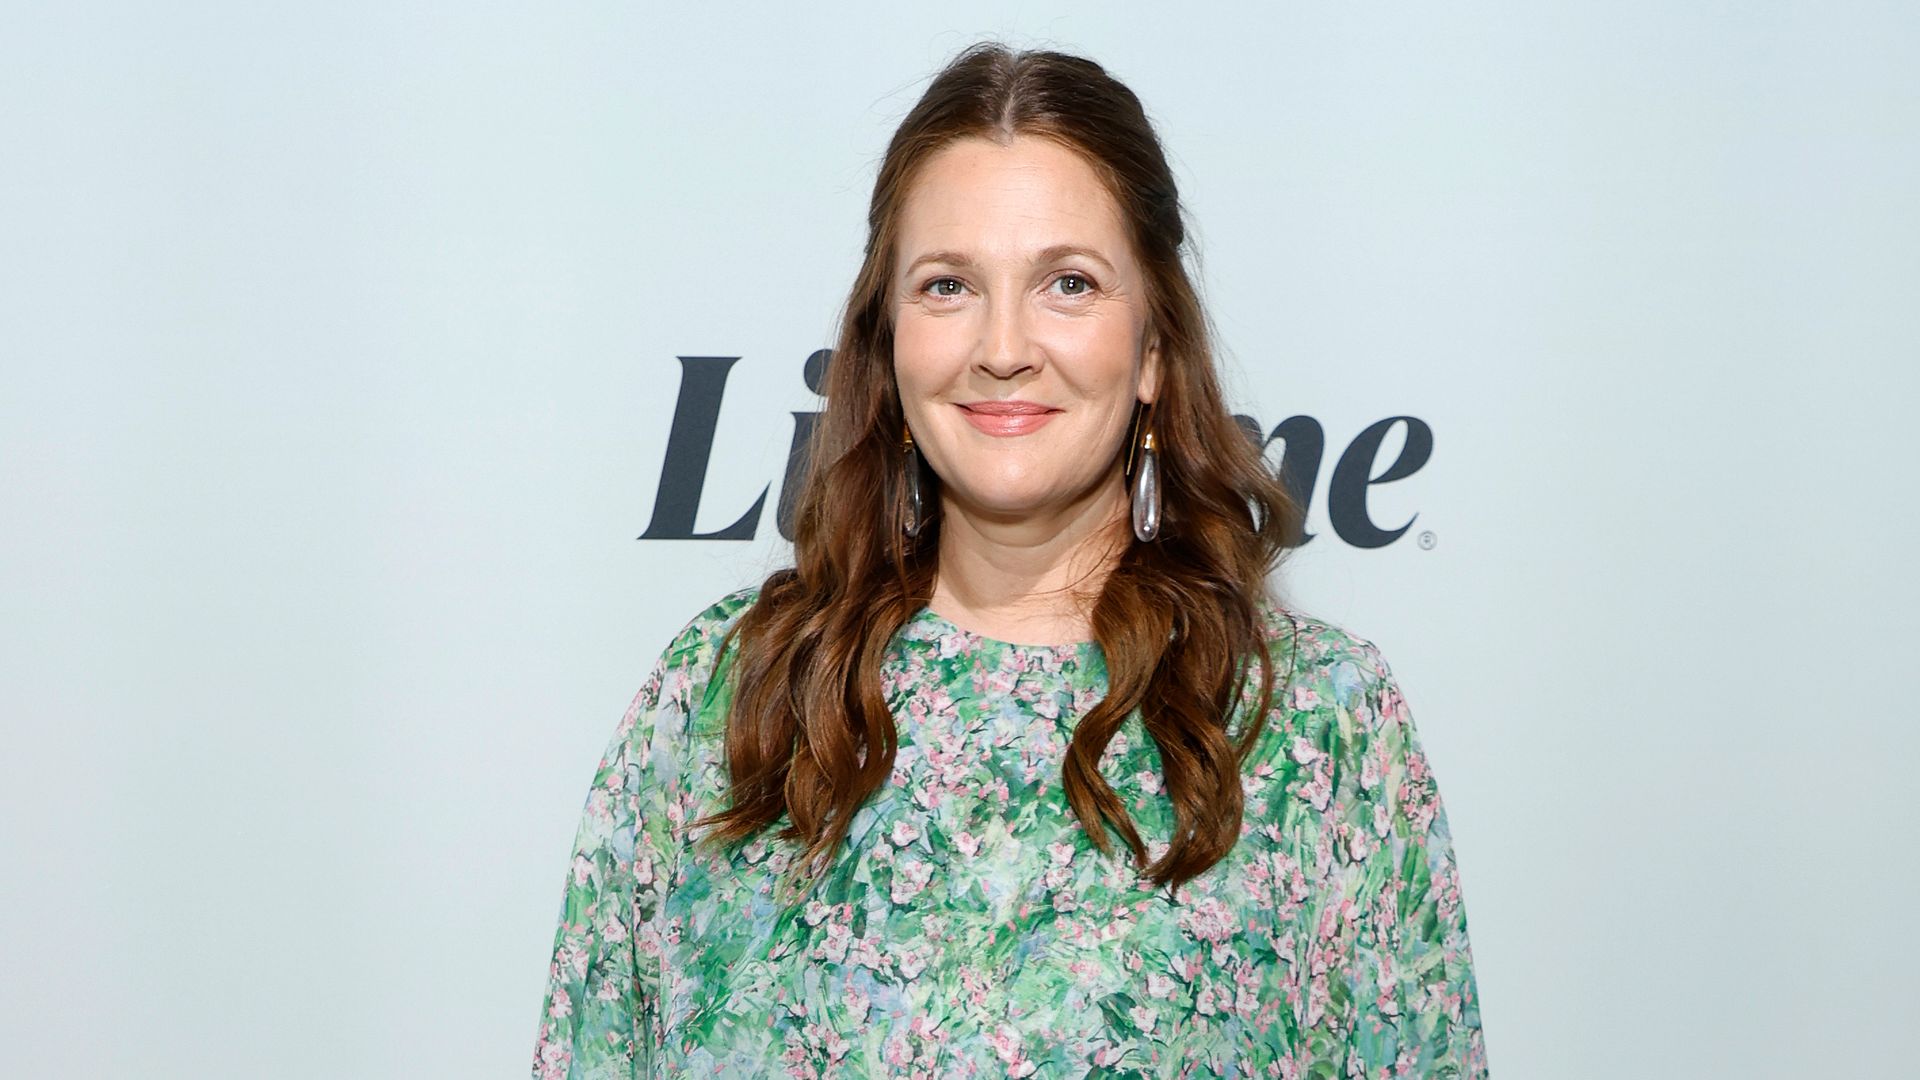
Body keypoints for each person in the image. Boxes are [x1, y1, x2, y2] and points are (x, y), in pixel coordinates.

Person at [532, 40, 1488, 1079]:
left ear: (1154, 352)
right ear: (887, 345)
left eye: (1067, 283)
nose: (1003, 345)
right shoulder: (727, 697)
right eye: (948, 286)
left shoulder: (1317, 729)